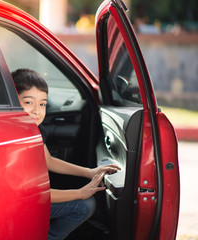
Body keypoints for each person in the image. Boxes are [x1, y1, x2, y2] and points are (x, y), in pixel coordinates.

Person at [11, 68, 120, 240]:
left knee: (85, 205)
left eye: (42, 104)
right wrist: (79, 193)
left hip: (30, 201)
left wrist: (90, 171)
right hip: (19, 206)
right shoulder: (12, 141)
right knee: (84, 205)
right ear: (12, 101)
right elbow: (34, 194)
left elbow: (50, 161)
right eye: (28, 102)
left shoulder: (34, 131)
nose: (36, 111)